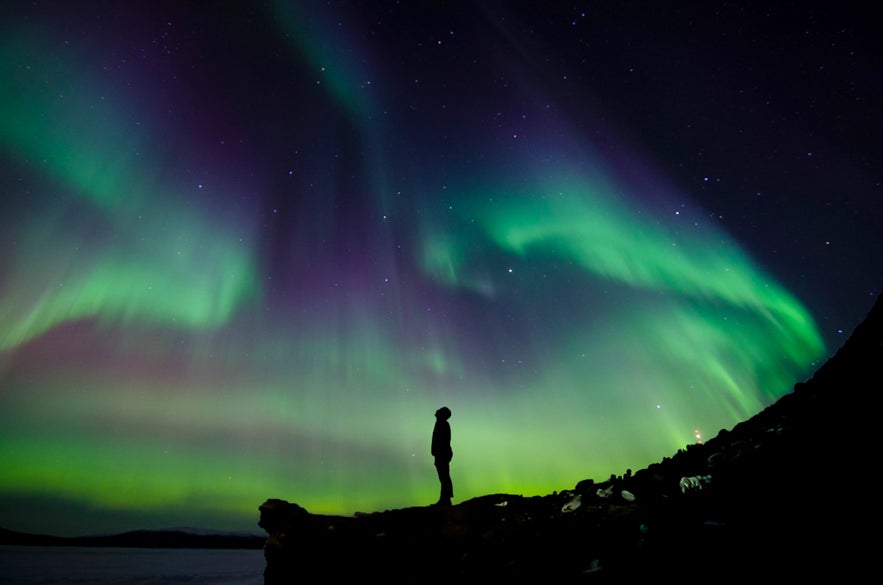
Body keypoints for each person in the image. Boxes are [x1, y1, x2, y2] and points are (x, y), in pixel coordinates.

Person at [431, 406, 453, 506]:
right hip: (440, 453)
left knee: (444, 476)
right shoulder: (440, 423)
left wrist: (439, 453)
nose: (436, 411)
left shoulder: (443, 424)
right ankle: (444, 499)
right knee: (443, 477)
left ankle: (446, 500)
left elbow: (444, 441)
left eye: (438, 411)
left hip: (442, 454)